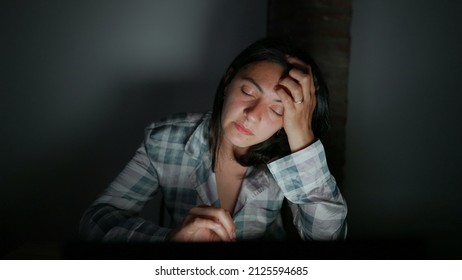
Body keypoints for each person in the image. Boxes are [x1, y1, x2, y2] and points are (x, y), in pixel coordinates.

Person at [80, 37, 347, 242]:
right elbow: (95, 220)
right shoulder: (167, 140)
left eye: (278, 109)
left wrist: (302, 136)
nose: (252, 116)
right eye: (247, 91)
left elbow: (327, 238)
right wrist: (168, 240)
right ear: (229, 80)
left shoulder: (289, 157)